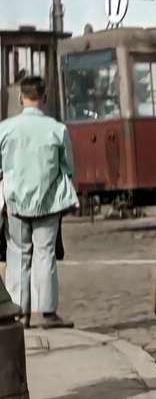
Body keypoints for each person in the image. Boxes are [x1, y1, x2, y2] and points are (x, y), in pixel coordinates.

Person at [0, 76, 77, 328]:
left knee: (18, 255)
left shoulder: (5, 129)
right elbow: (68, 167)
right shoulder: (57, 129)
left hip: (15, 202)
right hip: (48, 202)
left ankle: (19, 313)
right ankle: (47, 313)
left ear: (21, 98)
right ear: (44, 98)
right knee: (45, 254)